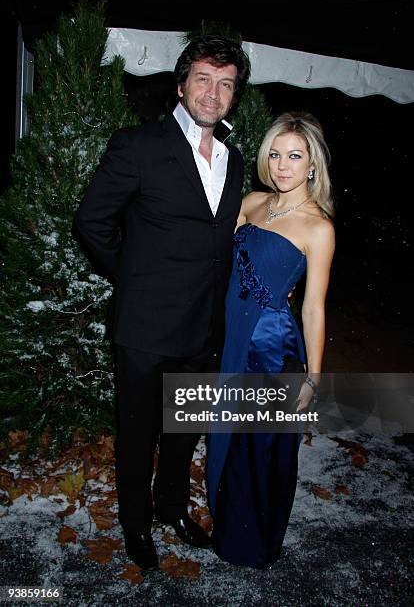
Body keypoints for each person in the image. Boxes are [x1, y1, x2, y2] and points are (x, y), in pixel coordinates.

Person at [73, 35, 251, 570]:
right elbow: (92, 221)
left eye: (225, 84)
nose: (213, 93)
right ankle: (135, 525)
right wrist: (133, 279)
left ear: (233, 96)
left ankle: (172, 508)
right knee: (138, 432)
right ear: (181, 85)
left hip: (204, 327)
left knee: (182, 431)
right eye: (203, 79)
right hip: (146, 327)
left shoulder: (234, 159)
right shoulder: (139, 145)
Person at [207, 111, 335, 568]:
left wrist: (314, 377)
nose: (283, 165)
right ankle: (225, 526)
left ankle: (253, 542)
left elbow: (313, 307)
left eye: (295, 156)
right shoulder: (253, 202)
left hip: (271, 347)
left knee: (259, 448)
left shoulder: (319, 228)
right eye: (276, 154)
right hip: (232, 336)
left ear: (312, 165)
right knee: (225, 436)